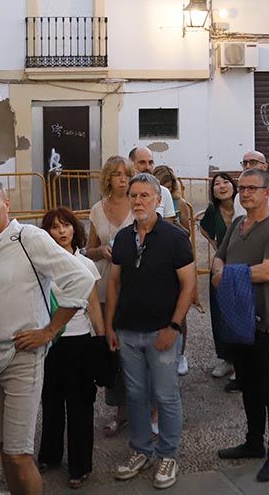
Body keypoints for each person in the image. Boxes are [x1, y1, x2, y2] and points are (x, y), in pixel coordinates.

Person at [0, 179, 95, 495]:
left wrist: (51, 330)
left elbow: (81, 279)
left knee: (19, 453)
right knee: (3, 449)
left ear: (6, 203)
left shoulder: (30, 238)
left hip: (21, 360)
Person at [106, 173, 197, 490]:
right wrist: (110, 325)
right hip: (128, 332)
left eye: (146, 195)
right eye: (134, 196)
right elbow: (114, 283)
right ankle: (141, 450)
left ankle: (167, 454)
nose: (139, 201)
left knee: (166, 395)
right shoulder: (122, 238)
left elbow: (188, 285)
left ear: (159, 199)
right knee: (135, 395)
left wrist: (174, 327)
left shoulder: (174, 237)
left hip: (162, 332)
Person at [210, 167, 269, 482]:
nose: (245, 194)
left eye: (252, 189)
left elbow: (268, 271)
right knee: (248, 386)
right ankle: (254, 442)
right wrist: (221, 269)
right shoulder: (236, 224)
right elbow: (219, 256)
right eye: (242, 188)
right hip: (236, 319)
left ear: (267, 192)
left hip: (264, 321)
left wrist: (226, 275)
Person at [37, 208, 106, 489]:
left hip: (79, 340)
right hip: (49, 343)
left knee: (79, 406)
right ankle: (50, 456)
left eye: (66, 225)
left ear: (74, 229)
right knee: (50, 403)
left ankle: (80, 465)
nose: (62, 231)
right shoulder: (42, 266)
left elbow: (93, 306)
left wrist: (101, 340)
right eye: (55, 227)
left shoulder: (84, 264)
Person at [85, 154, 135, 438]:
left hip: (133, 286)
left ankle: (142, 406)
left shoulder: (139, 204)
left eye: (126, 173)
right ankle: (119, 410)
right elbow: (88, 249)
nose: (122, 178)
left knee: (134, 346)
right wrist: (100, 251)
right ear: (108, 178)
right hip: (104, 285)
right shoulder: (97, 210)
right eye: (117, 174)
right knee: (111, 347)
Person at [197, 172, 244, 388]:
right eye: (217, 183)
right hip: (221, 265)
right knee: (220, 313)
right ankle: (227, 359)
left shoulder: (243, 205)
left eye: (226, 181)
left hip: (243, 265)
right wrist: (216, 245)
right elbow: (203, 228)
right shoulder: (212, 210)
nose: (222, 186)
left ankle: (241, 364)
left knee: (240, 313)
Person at [154, 163, 200, 376]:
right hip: (155, 260)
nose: (165, 187)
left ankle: (181, 354)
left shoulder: (179, 203)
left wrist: (169, 225)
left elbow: (187, 231)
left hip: (175, 258)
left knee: (180, 309)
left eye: (168, 184)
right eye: (161, 182)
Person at [129, 146, 177, 221]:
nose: (147, 167)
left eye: (150, 162)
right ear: (131, 164)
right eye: (142, 162)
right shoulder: (124, 191)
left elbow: (168, 227)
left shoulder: (164, 192)